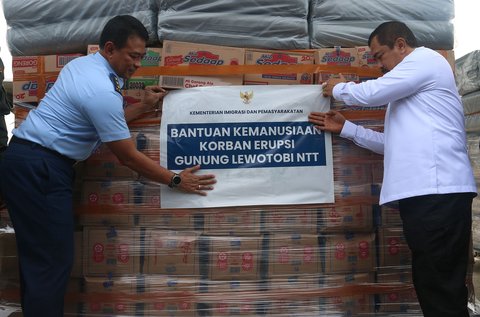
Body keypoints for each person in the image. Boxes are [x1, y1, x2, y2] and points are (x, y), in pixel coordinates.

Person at [0, 15, 216, 317]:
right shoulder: (101, 90)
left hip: (26, 161)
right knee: (53, 261)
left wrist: (140, 107)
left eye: (142, 56)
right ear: (111, 48)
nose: (138, 64)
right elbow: (126, 154)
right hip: (42, 168)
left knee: (39, 257)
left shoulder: (82, 66)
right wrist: (175, 180)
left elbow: (102, 123)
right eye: (133, 56)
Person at [309, 21, 477, 317]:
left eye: (379, 55)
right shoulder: (410, 94)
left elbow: (372, 93)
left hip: (437, 191)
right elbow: (393, 144)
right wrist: (347, 128)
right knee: (433, 280)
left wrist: (338, 88)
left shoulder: (425, 60)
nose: (379, 66)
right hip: (428, 195)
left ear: (401, 45)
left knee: (439, 284)